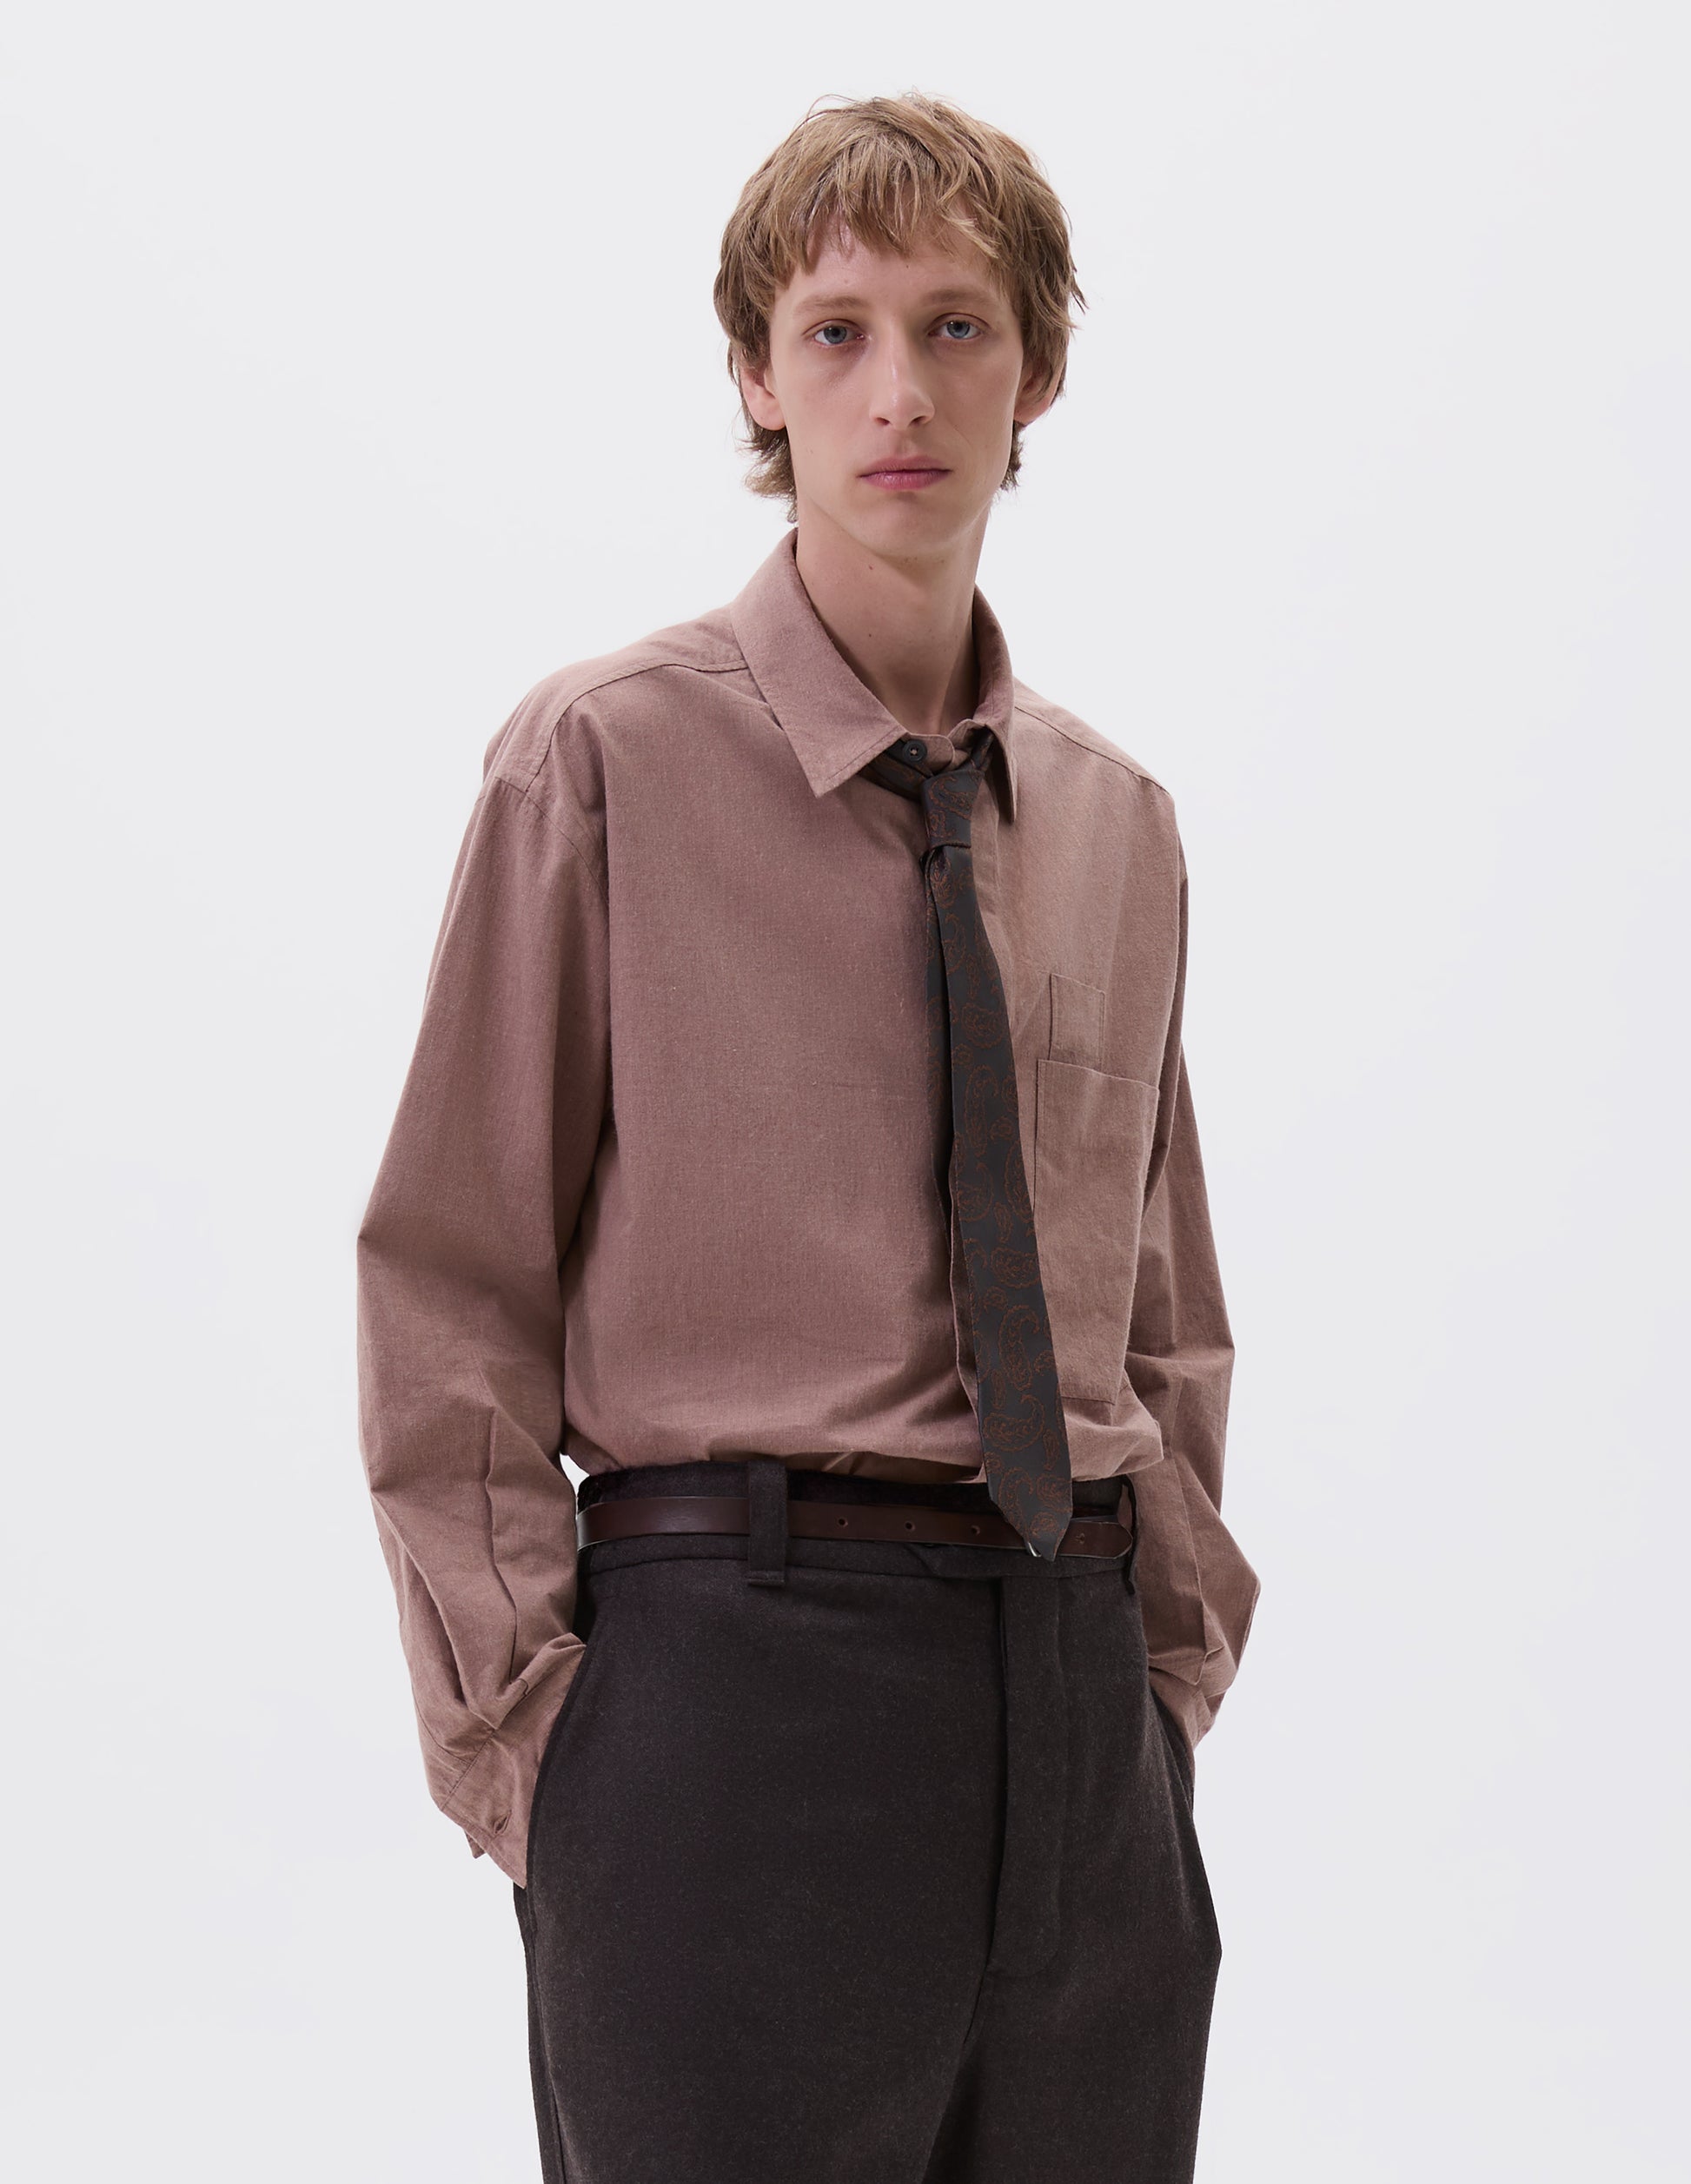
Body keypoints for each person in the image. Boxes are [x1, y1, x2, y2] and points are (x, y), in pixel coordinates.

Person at [356, 89, 1261, 2184]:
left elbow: (1161, 1306)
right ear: (756, 378)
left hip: (1078, 1722)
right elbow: (450, 1271)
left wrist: (1158, 1681)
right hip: (728, 1698)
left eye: (956, 328)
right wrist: (535, 1745)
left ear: (1037, 373)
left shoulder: (1112, 823)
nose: (898, 394)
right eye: (836, 332)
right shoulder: (600, 760)